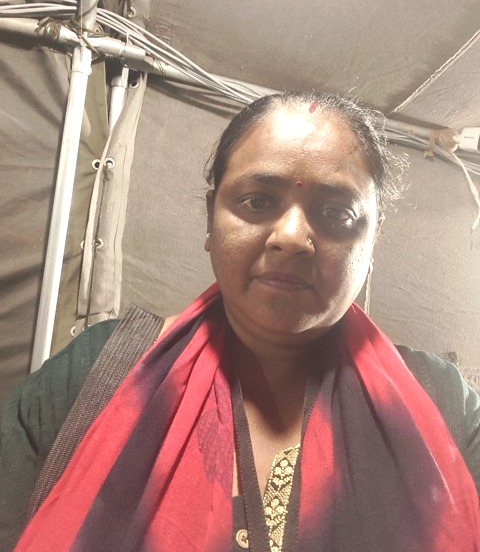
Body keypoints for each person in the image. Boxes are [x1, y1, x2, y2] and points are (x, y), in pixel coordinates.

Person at [1, 91, 479, 552]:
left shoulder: (443, 406)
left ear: (372, 241)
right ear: (211, 217)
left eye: (337, 212)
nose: (292, 237)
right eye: (257, 201)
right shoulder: (96, 375)